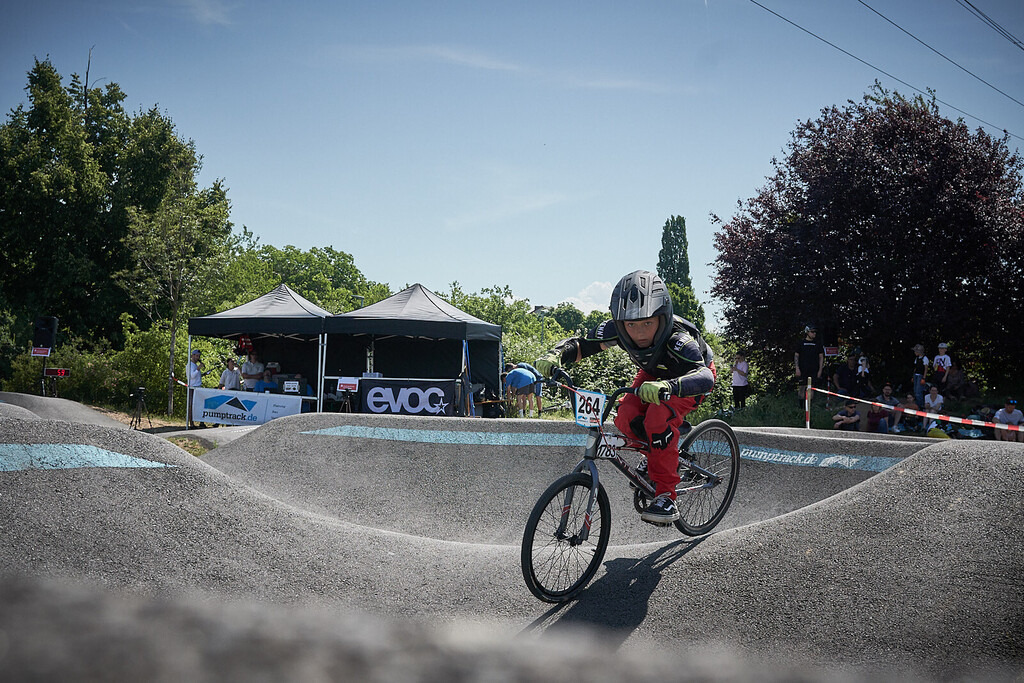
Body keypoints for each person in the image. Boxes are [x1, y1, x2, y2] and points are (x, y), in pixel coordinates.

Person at [534, 270, 715, 525]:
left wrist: (668, 386)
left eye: (647, 323)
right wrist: (554, 355)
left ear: (662, 319)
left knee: (656, 419)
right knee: (626, 415)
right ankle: (655, 456)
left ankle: (666, 495)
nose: (639, 332)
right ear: (620, 323)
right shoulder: (616, 330)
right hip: (653, 376)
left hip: (687, 379)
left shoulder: (680, 340)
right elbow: (582, 344)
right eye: (631, 325)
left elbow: (705, 376)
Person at [794, 324, 825, 406]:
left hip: (814, 370)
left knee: (811, 388)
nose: (814, 334)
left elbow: (821, 357)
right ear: (807, 332)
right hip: (803, 369)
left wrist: (820, 370)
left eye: (815, 332)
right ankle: (801, 407)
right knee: (801, 388)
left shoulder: (818, 344)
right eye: (812, 332)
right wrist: (797, 368)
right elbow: (796, 356)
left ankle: (809, 407)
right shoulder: (801, 343)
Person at [187, 349, 209, 429]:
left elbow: (196, 376)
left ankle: (201, 422)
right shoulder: (190, 365)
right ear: (192, 356)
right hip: (192, 387)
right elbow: (192, 376)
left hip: (198, 387)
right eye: (196, 356)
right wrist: (198, 369)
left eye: (199, 356)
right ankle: (191, 423)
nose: (197, 358)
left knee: (200, 405)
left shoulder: (195, 366)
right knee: (191, 405)